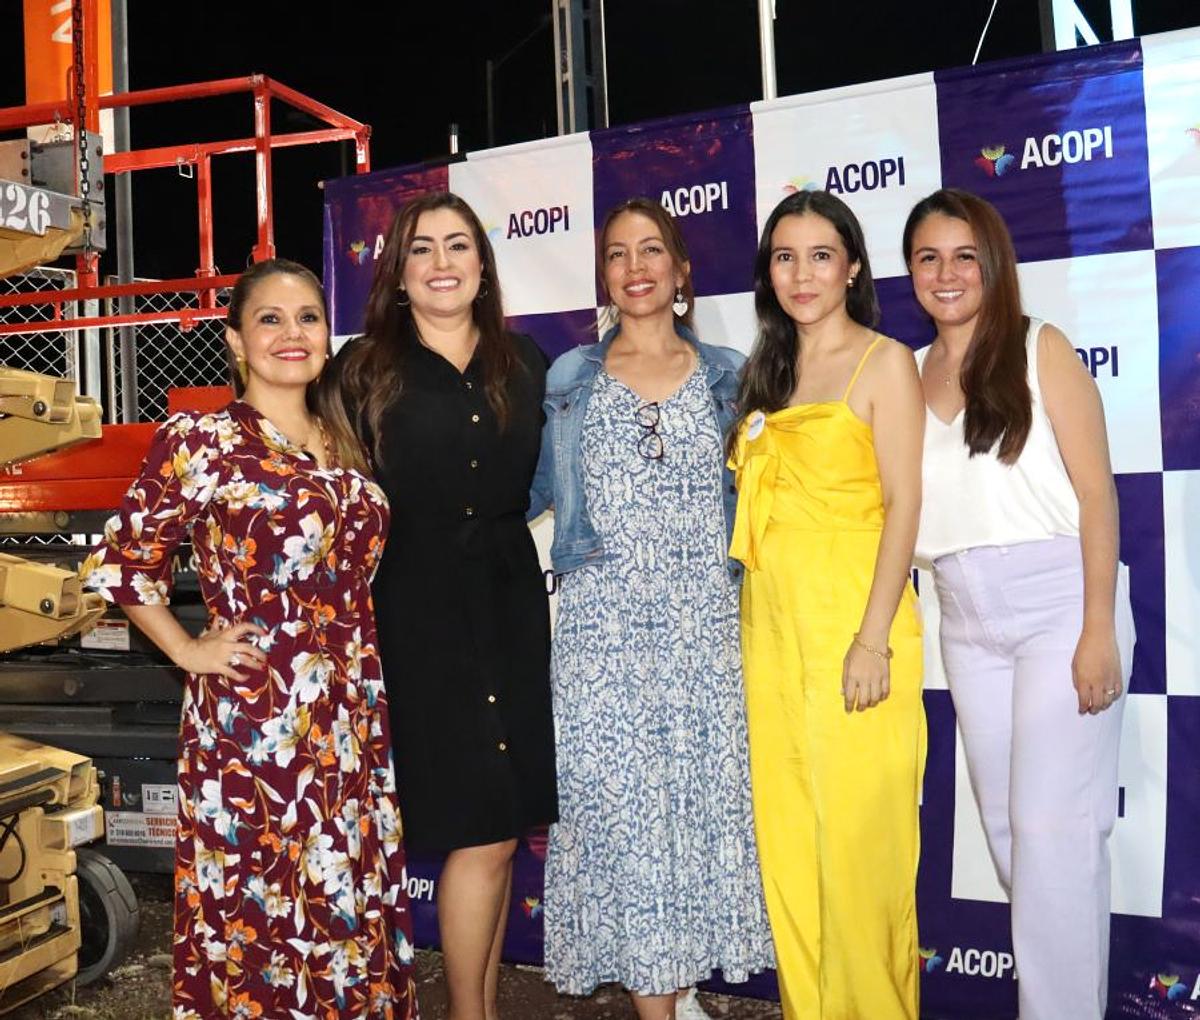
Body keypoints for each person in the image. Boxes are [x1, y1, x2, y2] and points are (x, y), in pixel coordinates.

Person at [80, 259, 417, 1019]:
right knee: (262, 907)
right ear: (236, 340)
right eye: (270, 318)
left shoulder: (345, 439)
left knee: (343, 896)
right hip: (256, 724)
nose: (292, 333)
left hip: (348, 716)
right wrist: (186, 650)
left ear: (327, 337)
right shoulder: (201, 438)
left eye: (308, 318)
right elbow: (124, 561)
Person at [531, 197, 773, 1020]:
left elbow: (770, 498)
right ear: (603, 274)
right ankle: (657, 1008)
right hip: (601, 637)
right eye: (617, 253)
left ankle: (678, 988)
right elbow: (524, 493)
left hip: (706, 631)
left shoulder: (731, 375)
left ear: (681, 270)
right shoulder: (568, 378)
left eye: (651, 251)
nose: (635, 267)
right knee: (623, 823)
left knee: (695, 815)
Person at [903, 187, 1134, 1020]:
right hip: (965, 620)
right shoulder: (905, 371)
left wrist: (1098, 629)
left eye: (965, 256)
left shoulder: (1042, 348)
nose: (947, 273)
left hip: (1062, 605)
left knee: (1051, 832)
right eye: (928, 257)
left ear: (994, 264)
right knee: (1012, 836)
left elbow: (1098, 494)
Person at [328, 192, 557, 1020]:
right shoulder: (359, 370)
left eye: (459, 245)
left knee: (500, 824)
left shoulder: (524, 361)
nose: (442, 263)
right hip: (414, 613)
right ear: (398, 274)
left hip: (509, 603)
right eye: (422, 249)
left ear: (483, 267)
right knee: (477, 825)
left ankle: (479, 1008)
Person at [728, 190, 926, 1020]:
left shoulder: (886, 361)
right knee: (792, 856)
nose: (801, 274)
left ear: (851, 268)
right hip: (773, 641)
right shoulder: (766, 373)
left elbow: (905, 506)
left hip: (856, 632)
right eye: (785, 257)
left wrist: (872, 640)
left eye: (819, 255)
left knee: (860, 860)